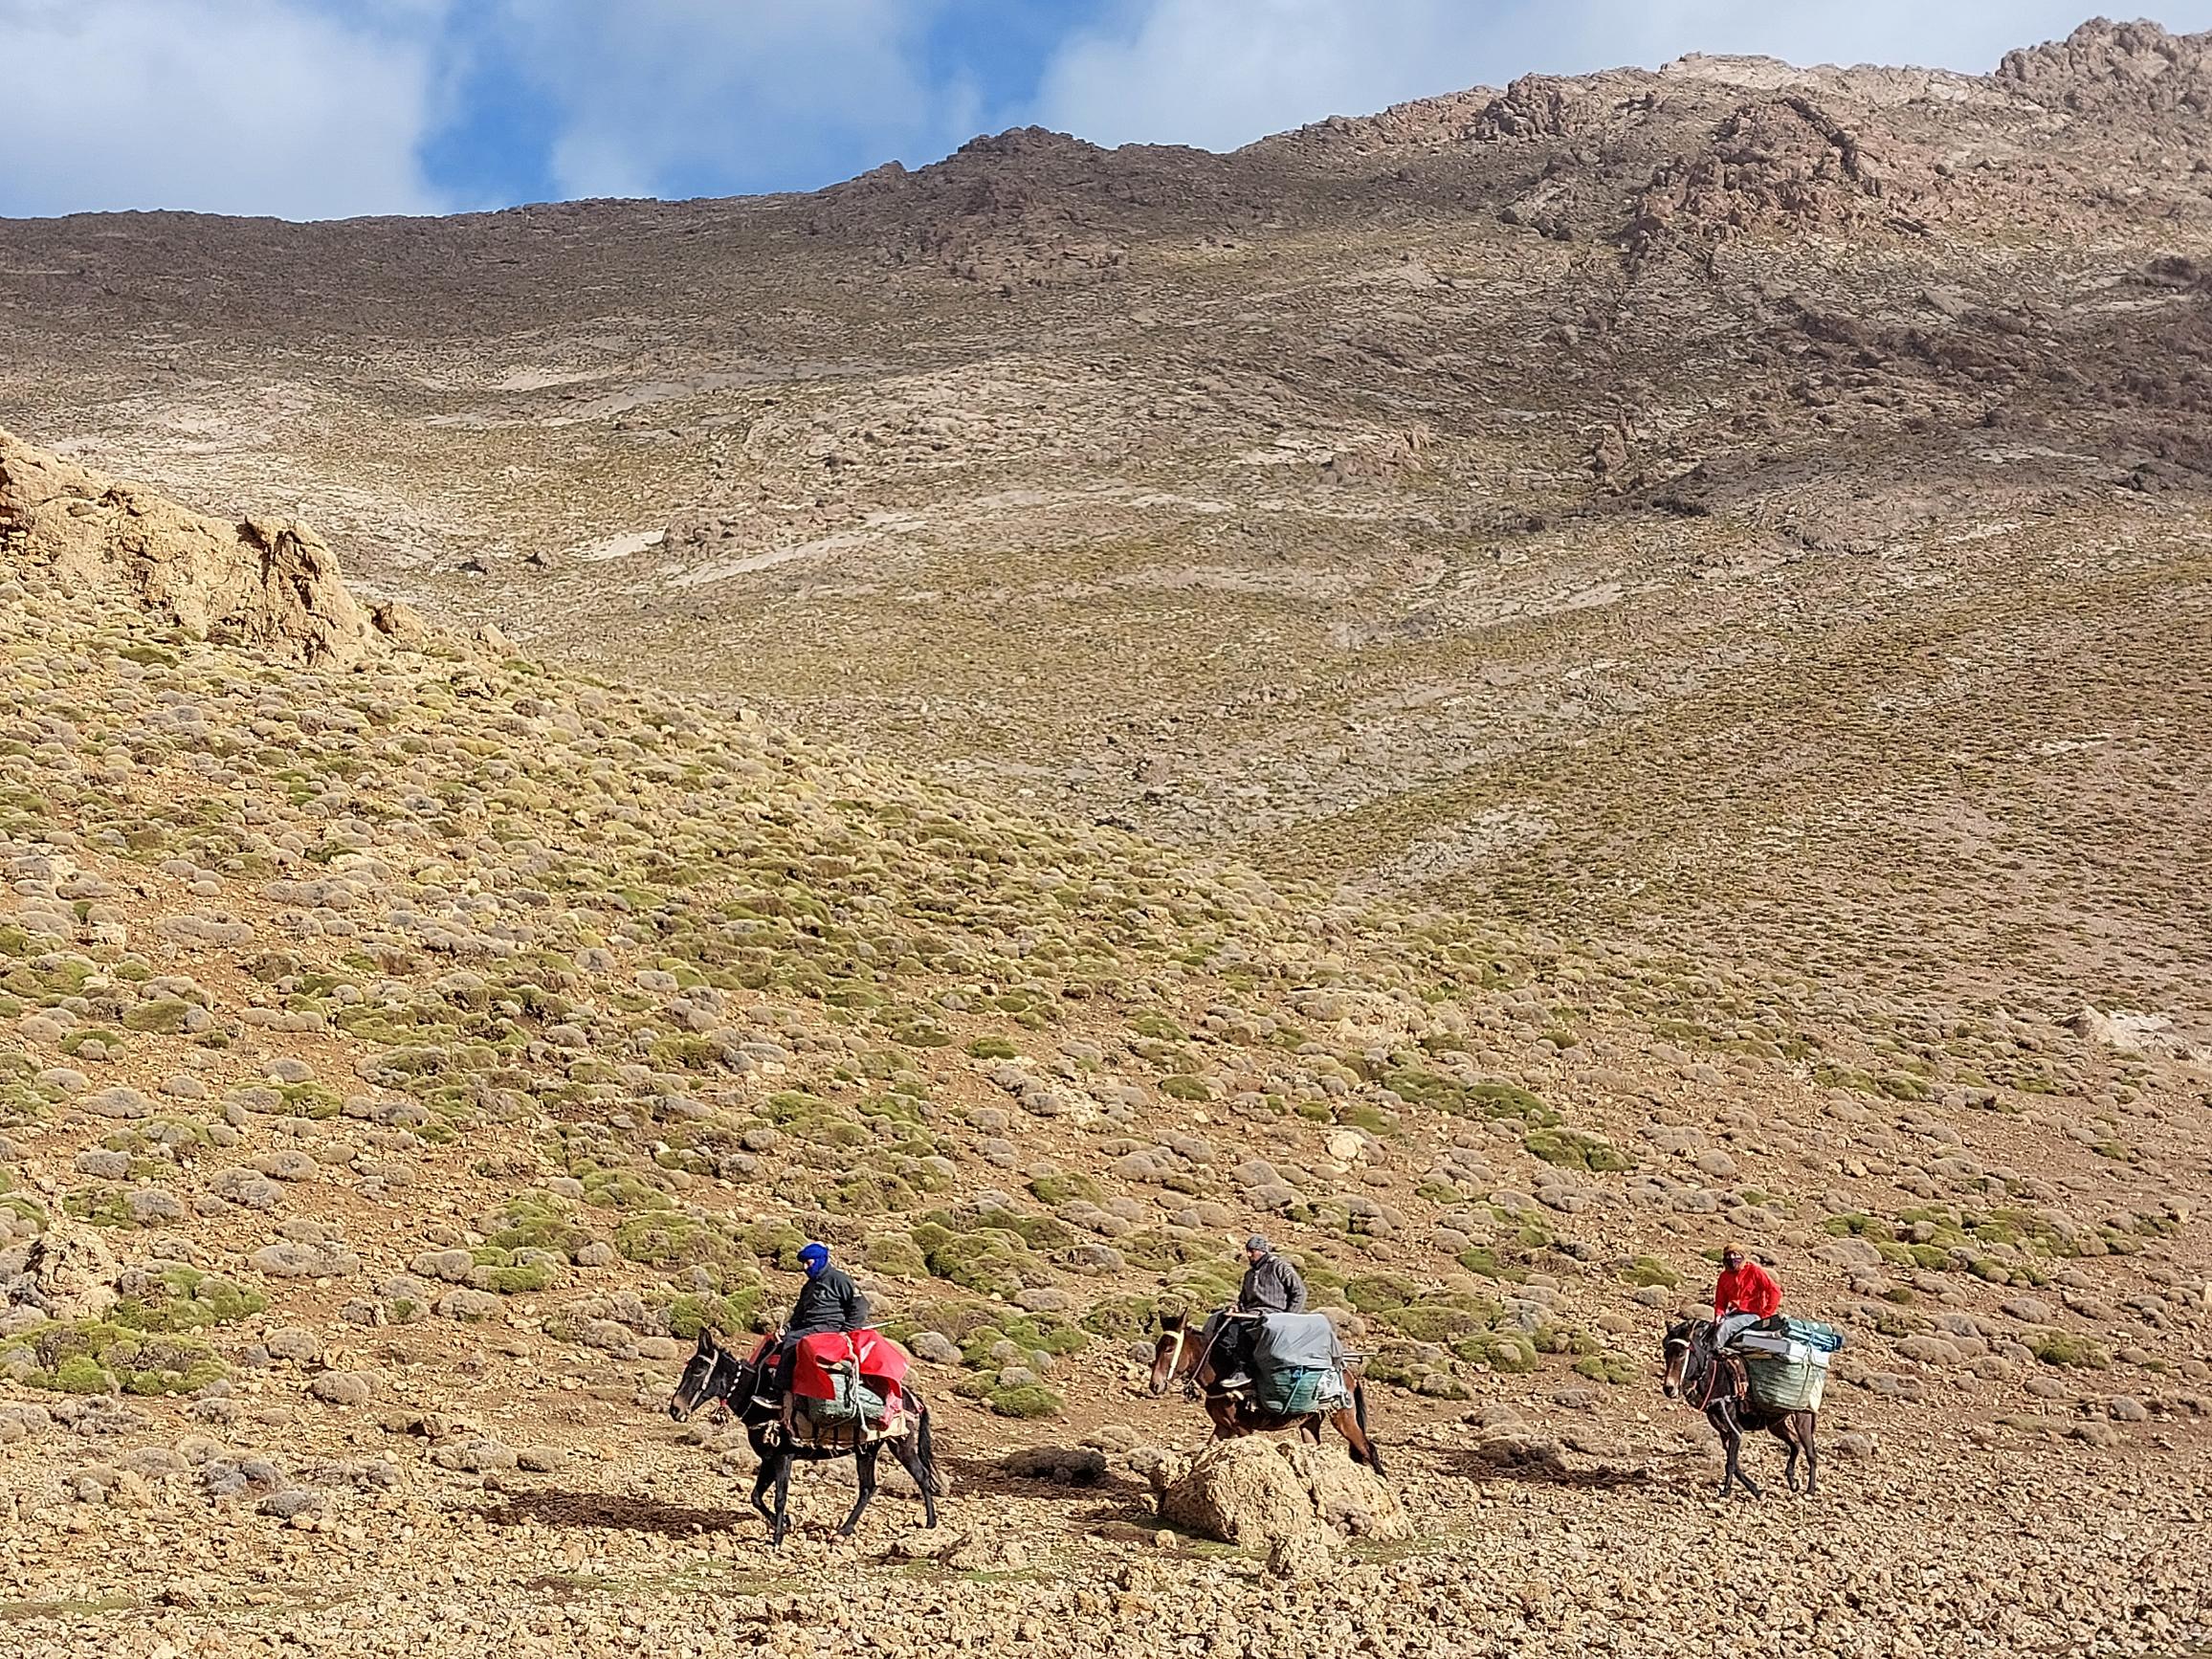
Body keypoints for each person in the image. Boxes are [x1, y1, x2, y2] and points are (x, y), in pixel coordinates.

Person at [756, 1242, 870, 1407]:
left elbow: (860, 1306)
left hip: (830, 1326)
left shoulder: (839, 1279)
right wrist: (785, 1329)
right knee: (773, 1343)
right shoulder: (808, 1287)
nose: (804, 1268)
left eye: (808, 1263)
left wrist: (847, 1331)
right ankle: (758, 1385)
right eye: (803, 1263)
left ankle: (779, 1393)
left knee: (793, 1341)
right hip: (808, 1326)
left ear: (820, 1260)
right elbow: (798, 1316)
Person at [1216, 1235, 1307, 1390]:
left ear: (1262, 1251)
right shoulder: (1249, 1275)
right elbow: (1243, 1301)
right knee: (1221, 1324)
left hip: (1274, 1315)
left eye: (1252, 1251)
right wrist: (1235, 1308)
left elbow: (1299, 1292)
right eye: (1247, 1251)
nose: (1249, 1255)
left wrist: (1289, 1318)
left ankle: (1246, 1370)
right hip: (1250, 1313)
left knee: (1244, 1331)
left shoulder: (1279, 1266)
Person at [1711, 1244, 1781, 1354]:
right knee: (1709, 1329)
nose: (1732, 1258)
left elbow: (1774, 1291)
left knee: (1726, 1327)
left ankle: (1715, 1354)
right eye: (1729, 1256)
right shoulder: (1724, 1276)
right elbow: (1720, 1301)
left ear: (1742, 1256)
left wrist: (1766, 1314)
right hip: (1733, 1313)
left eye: (1736, 1255)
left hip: (1753, 1314)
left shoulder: (1754, 1271)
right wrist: (1718, 1314)